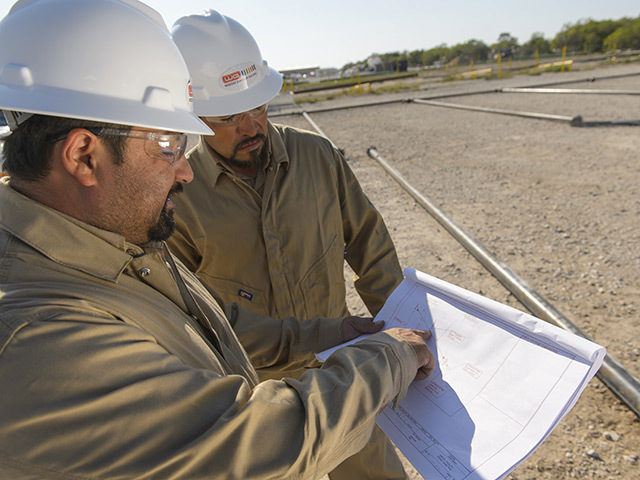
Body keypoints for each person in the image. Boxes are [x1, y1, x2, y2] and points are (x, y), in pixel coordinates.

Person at [0, 1, 435, 479]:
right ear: (83, 155)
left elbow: (204, 323)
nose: (185, 170)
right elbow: (249, 445)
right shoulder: (40, 333)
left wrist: (331, 334)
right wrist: (386, 357)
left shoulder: (109, 243)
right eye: (168, 145)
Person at [167, 10, 405, 377]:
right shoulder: (179, 197)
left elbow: (370, 248)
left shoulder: (318, 157)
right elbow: (195, 319)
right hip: (260, 394)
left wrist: (403, 325)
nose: (251, 127)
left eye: (259, 107)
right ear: (193, 116)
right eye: (229, 117)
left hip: (343, 365)